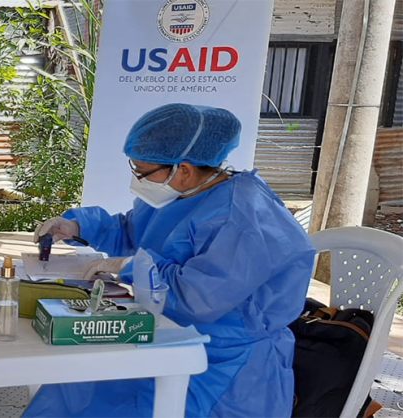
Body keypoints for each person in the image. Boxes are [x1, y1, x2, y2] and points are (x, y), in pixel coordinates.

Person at [27, 103, 316, 418]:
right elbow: (133, 230)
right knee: (73, 385)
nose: (137, 178)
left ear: (185, 169)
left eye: (142, 171)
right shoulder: (184, 194)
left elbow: (199, 297)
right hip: (168, 334)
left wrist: (131, 268)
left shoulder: (242, 218)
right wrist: (77, 227)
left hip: (223, 365)